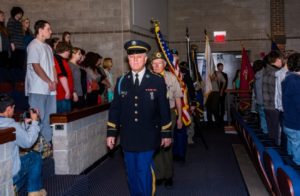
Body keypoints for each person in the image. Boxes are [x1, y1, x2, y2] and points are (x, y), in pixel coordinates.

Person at [106, 40, 172, 196]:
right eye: (131, 57)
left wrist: (166, 133)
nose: (135, 60)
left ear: (145, 59)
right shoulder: (122, 81)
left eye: (139, 57)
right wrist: (111, 133)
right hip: (128, 136)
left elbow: (163, 108)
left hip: (148, 136)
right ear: (128, 59)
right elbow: (115, 109)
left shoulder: (156, 80)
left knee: (143, 172)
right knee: (132, 173)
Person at [0, 94, 46, 196]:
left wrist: (24, 126)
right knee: (34, 156)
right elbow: (28, 142)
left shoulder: (13, 126)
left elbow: (18, 136)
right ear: (8, 109)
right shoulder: (12, 126)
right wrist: (34, 122)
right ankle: (34, 192)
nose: (13, 111)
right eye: (13, 108)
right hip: (10, 177)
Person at [151, 51, 183, 188]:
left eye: (159, 63)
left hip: (169, 114)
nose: (157, 66)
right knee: (156, 145)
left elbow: (178, 99)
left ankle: (169, 175)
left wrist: (180, 118)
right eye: (154, 64)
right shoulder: (148, 78)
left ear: (164, 65)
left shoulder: (171, 78)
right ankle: (159, 175)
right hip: (153, 116)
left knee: (167, 145)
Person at [25, 20, 57, 143]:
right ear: (40, 30)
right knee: (37, 119)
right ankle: (37, 147)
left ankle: (48, 146)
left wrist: (55, 81)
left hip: (50, 89)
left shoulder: (48, 47)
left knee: (49, 120)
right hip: (37, 88)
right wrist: (49, 81)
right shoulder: (33, 45)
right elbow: (36, 66)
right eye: (48, 29)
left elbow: (53, 67)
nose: (51, 31)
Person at [282, 53, 300, 165]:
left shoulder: (288, 78)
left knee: (292, 152)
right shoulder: (296, 81)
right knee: (298, 159)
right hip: (296, 123)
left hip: (289, 121)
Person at [262, 50, 283, 145]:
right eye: (281, 59)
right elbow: (279, 92)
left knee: (272, 132)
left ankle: (272, 154)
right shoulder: (276, 73)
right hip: (275, 106)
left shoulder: (266, 71)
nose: (282, 61)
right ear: (277, 60)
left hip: (267, 106)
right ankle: (277, 156)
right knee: (277, 134)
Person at [54, 42, 73, 113]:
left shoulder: (62, 60)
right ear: (64, 50)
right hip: (62, 95)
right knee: (63, 119)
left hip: (63, 94)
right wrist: (67, 91)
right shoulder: (58, 59)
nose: (69, 53)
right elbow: (61, 75)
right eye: (68, 51)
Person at [7, 6, 26, 72]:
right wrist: (12, 44)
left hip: (21, 46)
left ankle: (19, 79)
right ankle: (14, 79)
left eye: (21, 13)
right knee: (14, 64)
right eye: (19, 13)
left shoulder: (19, 23)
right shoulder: (11, 21)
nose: (20, 15)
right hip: (15, 45)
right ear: (15, 13)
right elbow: (10, 33)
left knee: (20, 64)